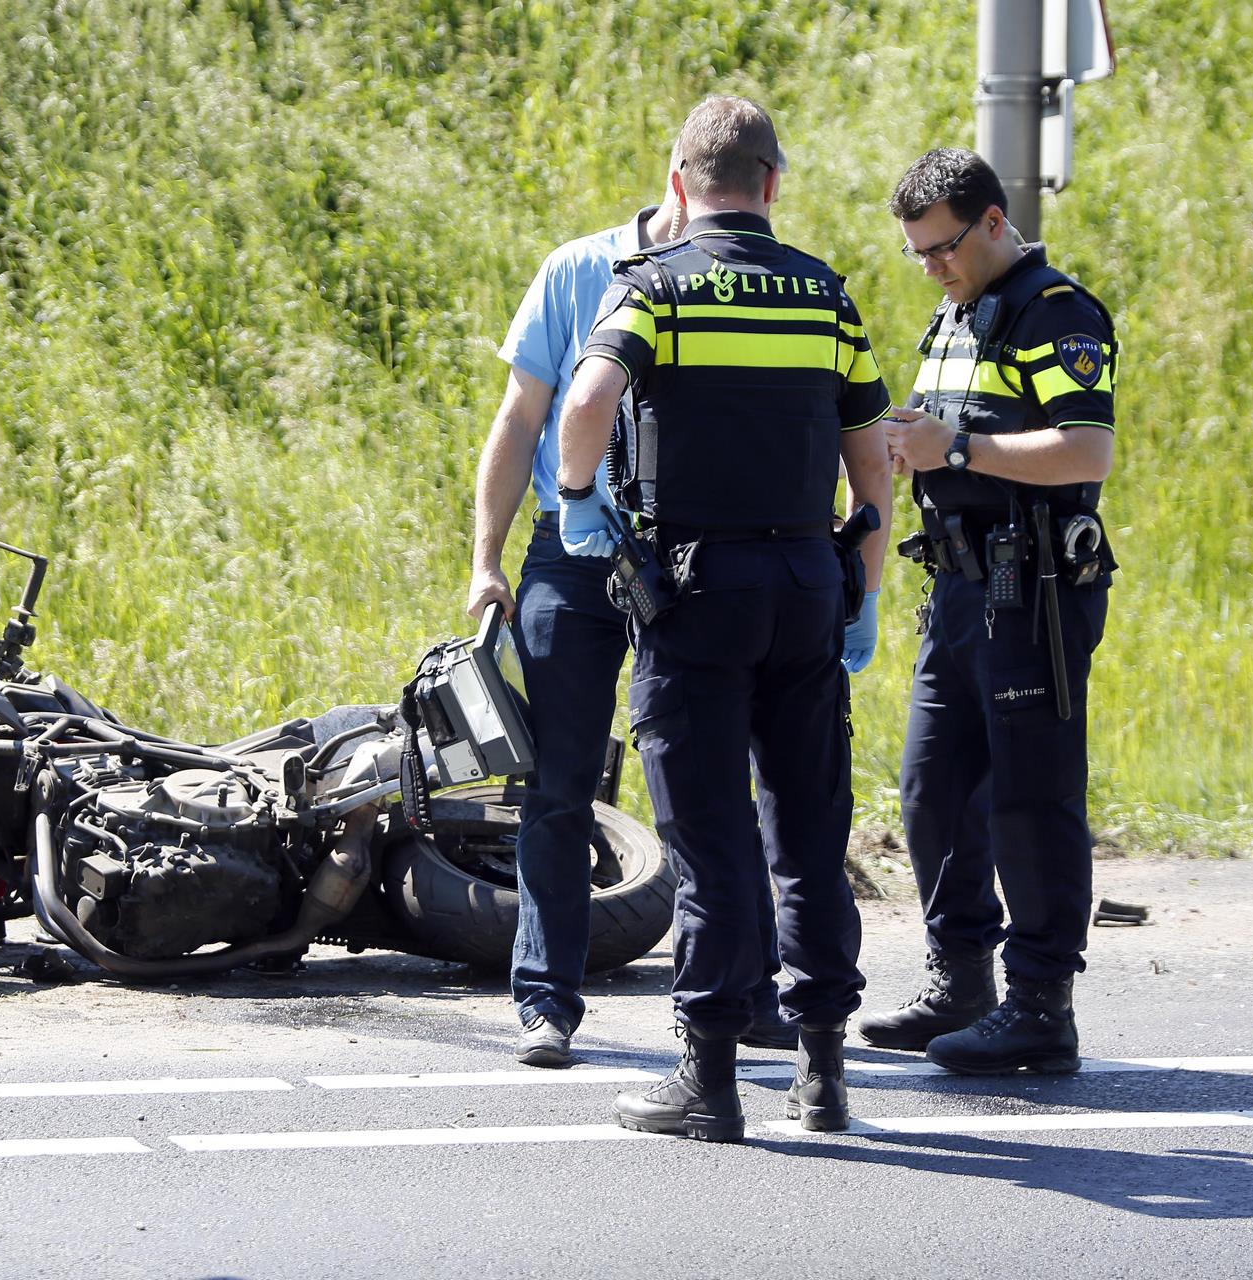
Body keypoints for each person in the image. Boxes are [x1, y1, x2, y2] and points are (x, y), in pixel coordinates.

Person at [554, 96, 894, 1141]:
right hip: (804, 582)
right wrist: (863, 592)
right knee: (810, 830)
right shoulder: (822, 295)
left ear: (678, 184)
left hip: (697, 594)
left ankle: (707, 1080)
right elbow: (871, 455)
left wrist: (577, 498)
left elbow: (587, 397)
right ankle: (823, 1073)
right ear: (773, 185)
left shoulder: (653, 288)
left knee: (708, 840)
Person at [469, 143, 801, 1069]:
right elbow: (520, 416)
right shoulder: (576, 270)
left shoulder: (738, 280)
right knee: (559, 779)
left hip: (691, 552)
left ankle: (747, 989)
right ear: (677, 184)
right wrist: (485, 560)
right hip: (571, 552)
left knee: (709, 778)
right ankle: (546, 1002)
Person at [864, 147, 1119, 1075]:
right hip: (960, 588)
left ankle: (1041, 1005)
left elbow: (1085, 451)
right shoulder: (955, 313)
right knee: (933, 790)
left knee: (1030, 799)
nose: (932, 266)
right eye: (917, 254)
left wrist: (957, 450)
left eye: (942, 248)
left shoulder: (1057, 313)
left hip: (1033, 592)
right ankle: (960, 980)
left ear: (995, 223)